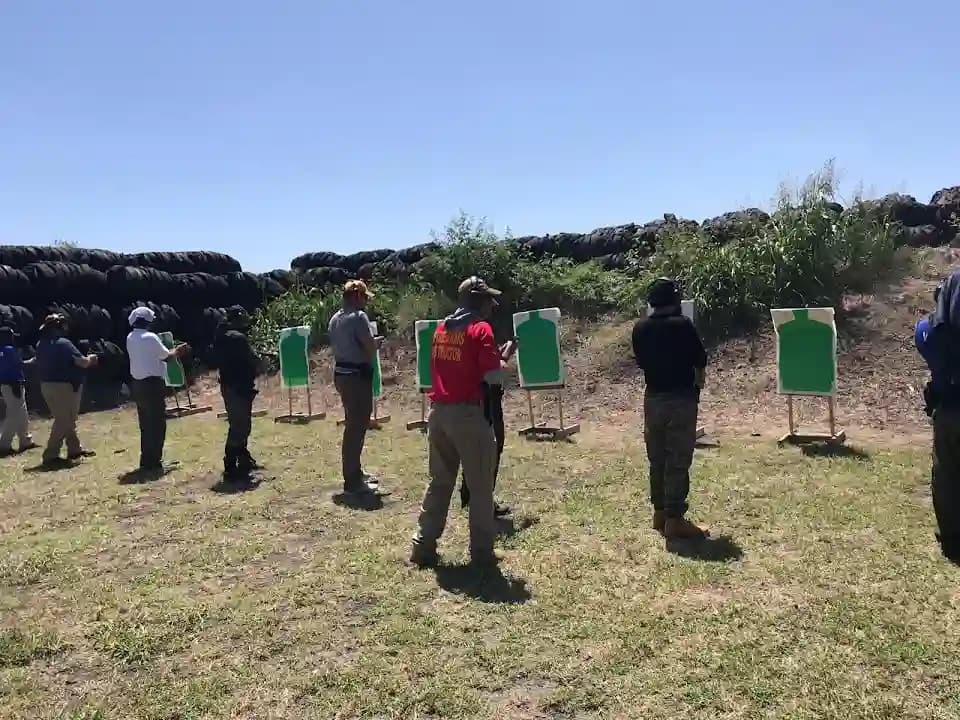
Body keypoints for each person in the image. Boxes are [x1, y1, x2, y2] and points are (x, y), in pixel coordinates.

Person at [410, 276, 505, 568]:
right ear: (479, 301)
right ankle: (482, 554)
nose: (492, 305)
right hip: (468, 415)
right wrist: (503, 360)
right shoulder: (480, 329)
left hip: (439, 414)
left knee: (439, 483)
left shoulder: (442, 329)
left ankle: (422, 545)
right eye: (488, 299)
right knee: (480, 488)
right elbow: (493, 377)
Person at [632, 278, 709, 540]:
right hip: (680, 399)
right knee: (677, 460)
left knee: (657, 458)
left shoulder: (640, 327)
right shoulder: (682, 325)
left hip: (653, 398)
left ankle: (660, 514)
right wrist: (697, 387)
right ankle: (675, 519)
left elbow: (641, 362)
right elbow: (700, 360)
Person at [917, 271, 960, 563]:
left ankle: (953, 539)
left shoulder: (931, 331)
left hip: (948, 408)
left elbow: (923, 336)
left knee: (946, 475)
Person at [328, 279, 382, 496]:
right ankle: (352, 480)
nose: (366, 302)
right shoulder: (359, 317)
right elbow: (368, 346)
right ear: (357, 296)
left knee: (353, 426)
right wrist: (377, 342)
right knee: (356, 429)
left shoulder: (335, 318)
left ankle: (355, 472)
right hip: (356, 377)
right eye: (364, 297)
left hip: (342, 375)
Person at [126, 307, 189, 472]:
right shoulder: (150, 337)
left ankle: (146, 460)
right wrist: (178, 351)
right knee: (157, 424)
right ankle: (154, 462)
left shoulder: (130, 337)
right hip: (152, 384)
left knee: (146, 424)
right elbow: (167, 357)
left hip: (137, 384)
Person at [460, 338, 517, 516]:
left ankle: (468, 495)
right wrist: (505, 356)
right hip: (487, 398)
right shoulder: (481, 331)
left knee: (473, 448)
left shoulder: (458, 331)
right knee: (492, 448)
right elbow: (496, 370)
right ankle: (483, 503)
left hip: (467, 398)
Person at [35, 314, 98, 467]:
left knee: (65, 418)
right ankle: (50, 455)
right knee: (64, 420)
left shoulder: (40, 344)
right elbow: (82, 363)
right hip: (64, 387)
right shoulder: (64, 343)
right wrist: (92, 358)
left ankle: (74, 449)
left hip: (46, 386)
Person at [211, 306, 260, 478]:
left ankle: (242, 459)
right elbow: (252, 359)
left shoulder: (220, 337)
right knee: (240, 426)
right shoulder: (237, 338)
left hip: (229, 385)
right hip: (239, 387)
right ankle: (231, 465)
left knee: (238, 424)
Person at [0, 327, 37, 457]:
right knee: (14, 415)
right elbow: (20, 364)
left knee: (22, 414)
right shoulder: (9, 349)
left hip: (6, 384)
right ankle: (3, 444)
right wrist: (33, 361)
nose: (13, 338)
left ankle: (25, 440)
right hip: (14, 384)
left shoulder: (1, 350)